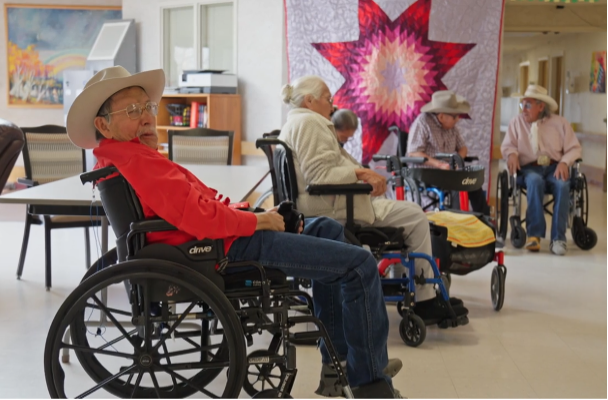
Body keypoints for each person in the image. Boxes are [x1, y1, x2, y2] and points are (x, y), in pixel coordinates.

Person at [65, 66, 404, 399]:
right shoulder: (138, 160)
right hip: (221, 250)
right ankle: (370, 384)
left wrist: (254, 215)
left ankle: (338, 364)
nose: (147, 117)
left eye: (148, 107)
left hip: (216, 240)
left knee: (326, 228)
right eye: (132, 110)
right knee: (359, 266)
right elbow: (197, 216)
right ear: (102, 124)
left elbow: (197, 206)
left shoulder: (129, 155)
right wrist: (256, 222)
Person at [278, 76, 469, 325]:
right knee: (415, 215)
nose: (333, 105)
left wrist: (362, 172)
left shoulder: (297, 122)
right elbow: (320, 175)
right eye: (328, 99)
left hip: (330, 202)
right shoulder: (310, 123)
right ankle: (422, 300)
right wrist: (361, 173)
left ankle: (414, 293)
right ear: (310, 100)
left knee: (409, 211)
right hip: (336, 208)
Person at [501, 85, 582, 256]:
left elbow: (575, 149)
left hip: (555, 167)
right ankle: (534, 235)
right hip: (529, 168)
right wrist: (511, 154)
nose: (524, 109)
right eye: (523, 105)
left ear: (541, 106)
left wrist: (565, 162)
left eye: (528, 105)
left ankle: (558, 238)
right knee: (534, 181)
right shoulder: (517, 122)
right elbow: (508, 146)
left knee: (562, 186)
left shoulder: (560, 123)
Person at [407, 91, 491, 216]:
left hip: (448, 172)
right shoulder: (423, 123)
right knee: (457, 182)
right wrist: (439, 164)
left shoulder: (451, 127)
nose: (458, 119)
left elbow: (462, 148)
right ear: (441, 116)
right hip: (427, 172)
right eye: (455, 116)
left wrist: (457, 161)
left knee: (472, 180)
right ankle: (458, 222)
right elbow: (413, 153)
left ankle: (485, 220)